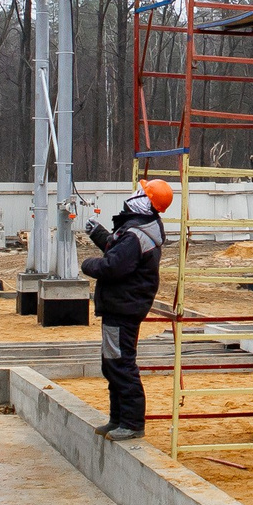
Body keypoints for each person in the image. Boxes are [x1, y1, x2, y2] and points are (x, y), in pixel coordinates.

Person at [82, 178, 171, 439]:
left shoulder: (136, 234)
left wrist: (88, 264)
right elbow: (118, 250)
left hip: (123, 308)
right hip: (123, 306)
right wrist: (98, 233)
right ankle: (118, 419)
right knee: (113, 363)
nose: (133, 195)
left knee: (120, 364)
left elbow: (113, 266)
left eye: (139, 192)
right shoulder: (139, 229)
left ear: (144, 202)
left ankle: (131, 423)